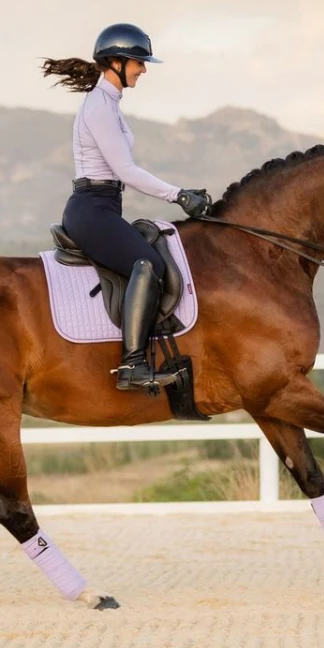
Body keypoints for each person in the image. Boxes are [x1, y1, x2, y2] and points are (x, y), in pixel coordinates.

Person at [41, 24, 211, 391]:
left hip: (104, 206)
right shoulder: (99, 107)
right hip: (91, 209)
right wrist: (178, 195)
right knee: (147, 266)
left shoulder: (109, 103)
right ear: (115, 62)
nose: (143, 70)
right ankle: (132, 365)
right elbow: (126, 171)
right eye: (138, 62)